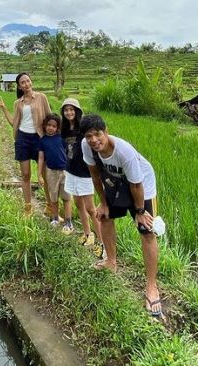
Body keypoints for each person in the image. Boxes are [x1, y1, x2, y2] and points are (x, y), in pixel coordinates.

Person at [80, 114, 162, 317]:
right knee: (105, 217)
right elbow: (95, 175)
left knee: (146, 231)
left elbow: (136, 185)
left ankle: (151, 286)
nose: (94, 140)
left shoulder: (124, 153)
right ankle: (111, 262)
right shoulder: (86, 146)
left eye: (97, 134)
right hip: (115, 181)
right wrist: (104, 203)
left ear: (106, 132)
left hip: (142, 184)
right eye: (89, 136)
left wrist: (140, 212)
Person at [0, 72, 53, 216]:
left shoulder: (41, 98)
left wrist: (53, 138)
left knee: (45, 174)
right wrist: (4, 109)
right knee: (26, 175)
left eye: (28, 81)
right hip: (22, 139)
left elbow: (50, 118)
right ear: (19, 87)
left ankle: (50, 206)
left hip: (39, 138)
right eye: (23, 83)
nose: (26, 84)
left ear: (31, 82)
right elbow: (14, 123)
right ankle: (28, 208)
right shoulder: (17, 103)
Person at [60, 98, 103, 253]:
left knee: (91, 208)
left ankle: (100, 240)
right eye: (66, 110)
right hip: (71, 171)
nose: (69, 112)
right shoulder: (63, 130)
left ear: (77, 111)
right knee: (78, 205)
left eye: (72, 109)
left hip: (85, 174)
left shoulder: (83, 129)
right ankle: (87, 233)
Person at [38, 114, 73, 233]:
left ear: (57, 127)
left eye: (54, 126)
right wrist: (39, 175)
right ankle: (55, 218)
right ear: (44, 125)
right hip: (51, 172)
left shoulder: (61, 138)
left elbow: (69, 152)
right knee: (53, 197)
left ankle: (68, 222)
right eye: (49, 125)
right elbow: (41, 158)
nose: (50, 128)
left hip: (64, 171)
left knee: (67, 197)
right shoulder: (42, 141)